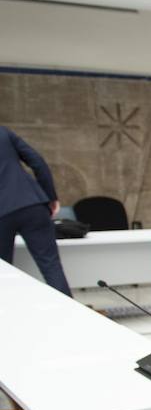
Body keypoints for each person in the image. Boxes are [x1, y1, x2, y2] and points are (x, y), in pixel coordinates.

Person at [0, 123, 71, 294]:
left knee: (3, 271)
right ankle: (69, 309)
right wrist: (50, 196)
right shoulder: (2, 132)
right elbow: (37, 162)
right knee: (51, 265)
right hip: (32, 204)